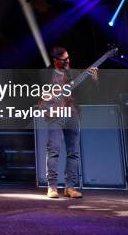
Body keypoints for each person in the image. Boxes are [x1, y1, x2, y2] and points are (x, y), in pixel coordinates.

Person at [43, 46, 97, 199]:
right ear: (55, 61)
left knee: (73, 152)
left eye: (68, 58)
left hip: (72, 114)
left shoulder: (74, 74)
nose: (68, 61)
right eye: (64, 60)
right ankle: (52, 187)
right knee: (53, 150)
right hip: (55, 115)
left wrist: (93, 80)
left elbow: (88, 95)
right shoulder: (46, 74)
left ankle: (70, 187)